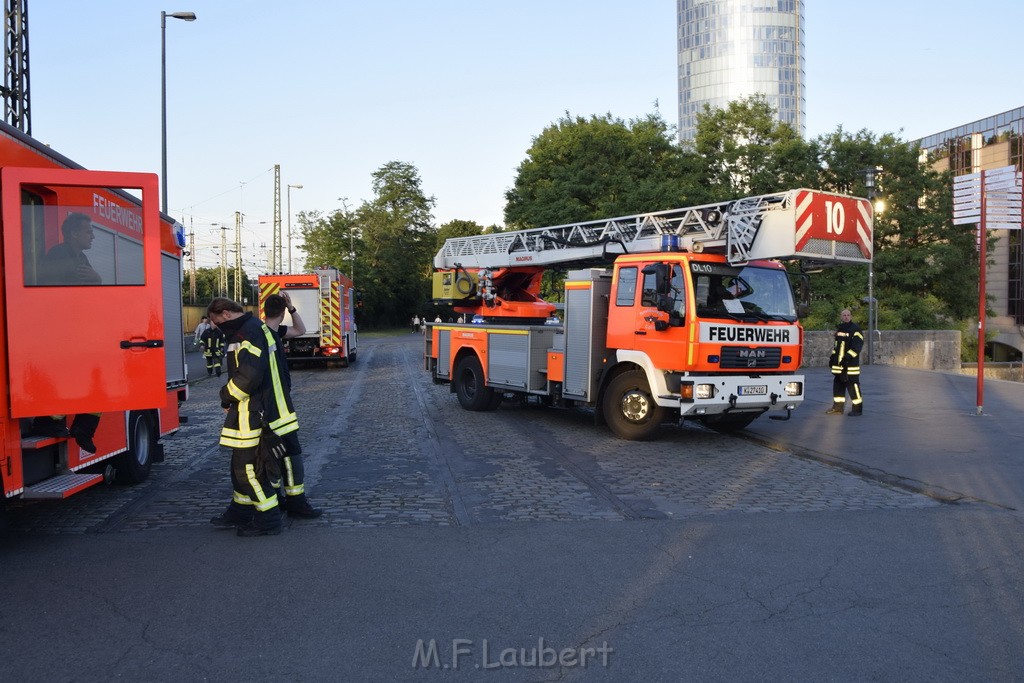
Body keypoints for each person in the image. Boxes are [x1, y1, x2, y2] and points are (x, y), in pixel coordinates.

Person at [206, 297, 284, 536]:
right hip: (247, 410)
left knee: (247, 470)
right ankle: (240, 511)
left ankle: (268, 518)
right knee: (237, 468)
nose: (215, 326)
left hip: (250, 411)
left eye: (215, 320)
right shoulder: (248, 330)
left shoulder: (247, 333)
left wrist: (226, 395)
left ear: (226, 314)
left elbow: (248, 377)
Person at [31, 213, 103, 450]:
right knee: (66, 380)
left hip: (74, 331)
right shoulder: (59, 256)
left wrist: (97, 278)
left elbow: (89, 288)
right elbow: (64, 293)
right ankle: (52, 423)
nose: (92, 235)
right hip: (60, 332)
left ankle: (81, 428)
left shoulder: (79, 256)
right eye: (88, 231)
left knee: (95, 379)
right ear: (73, 233)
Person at [261, 292, 322, 519]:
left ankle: (280, 500)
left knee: (276, 453)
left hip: (275, 403)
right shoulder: (267, 335)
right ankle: (294, 502)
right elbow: (300, 330)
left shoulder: (271, 332)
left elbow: (301, 331)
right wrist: (292, 308)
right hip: (276, 406)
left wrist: (291, 309)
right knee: (289, 451)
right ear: (283, 311)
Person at [39, 212, 102, 286]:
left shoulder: (82, 257)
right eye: (89, 232)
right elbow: (51, 287)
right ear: (75, 233)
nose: (93, 237)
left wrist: (97, 278)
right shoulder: (58, 254)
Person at [826, 308, 865, 416]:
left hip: (850, 366)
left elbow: (857, 348)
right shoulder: (840, 329)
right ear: (841, 317)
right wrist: (832, 358)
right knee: (838, 388)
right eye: (844, 315)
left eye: (848, 315)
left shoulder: (856, 329)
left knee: (853, 388)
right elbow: (836, 347)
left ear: (851, 316)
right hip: (839, 367)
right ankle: (838, 408)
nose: (846, 317)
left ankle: (857, 410)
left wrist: (846, 358)